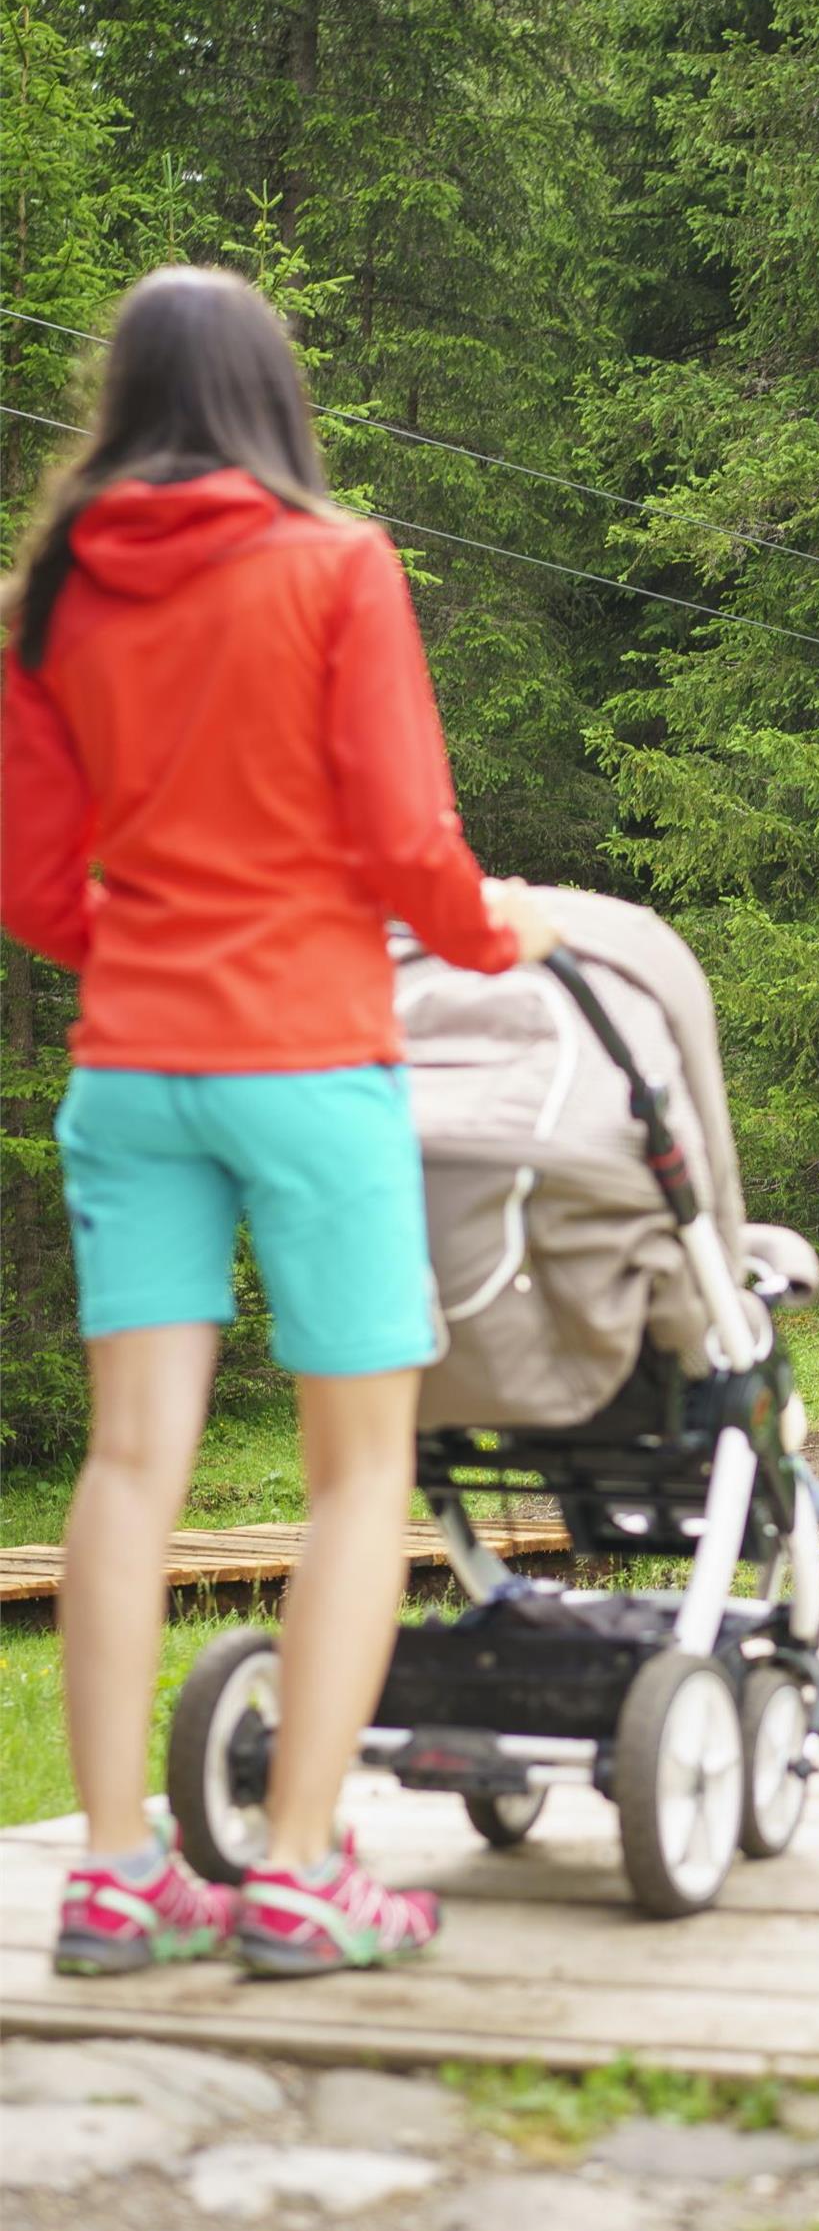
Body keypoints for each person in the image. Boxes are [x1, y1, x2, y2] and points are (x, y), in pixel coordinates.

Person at [0, 266, 559, 1982]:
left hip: (133, 1071)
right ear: (272, 399)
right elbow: (404, 838)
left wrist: (159, 958)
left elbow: (31, 876)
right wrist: (496, 933)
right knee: (354, 1466)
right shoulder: (336, 565)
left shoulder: (49, 595)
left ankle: (114, 1875)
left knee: (127, 1462)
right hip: (310, 1060)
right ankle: (304, 1872)